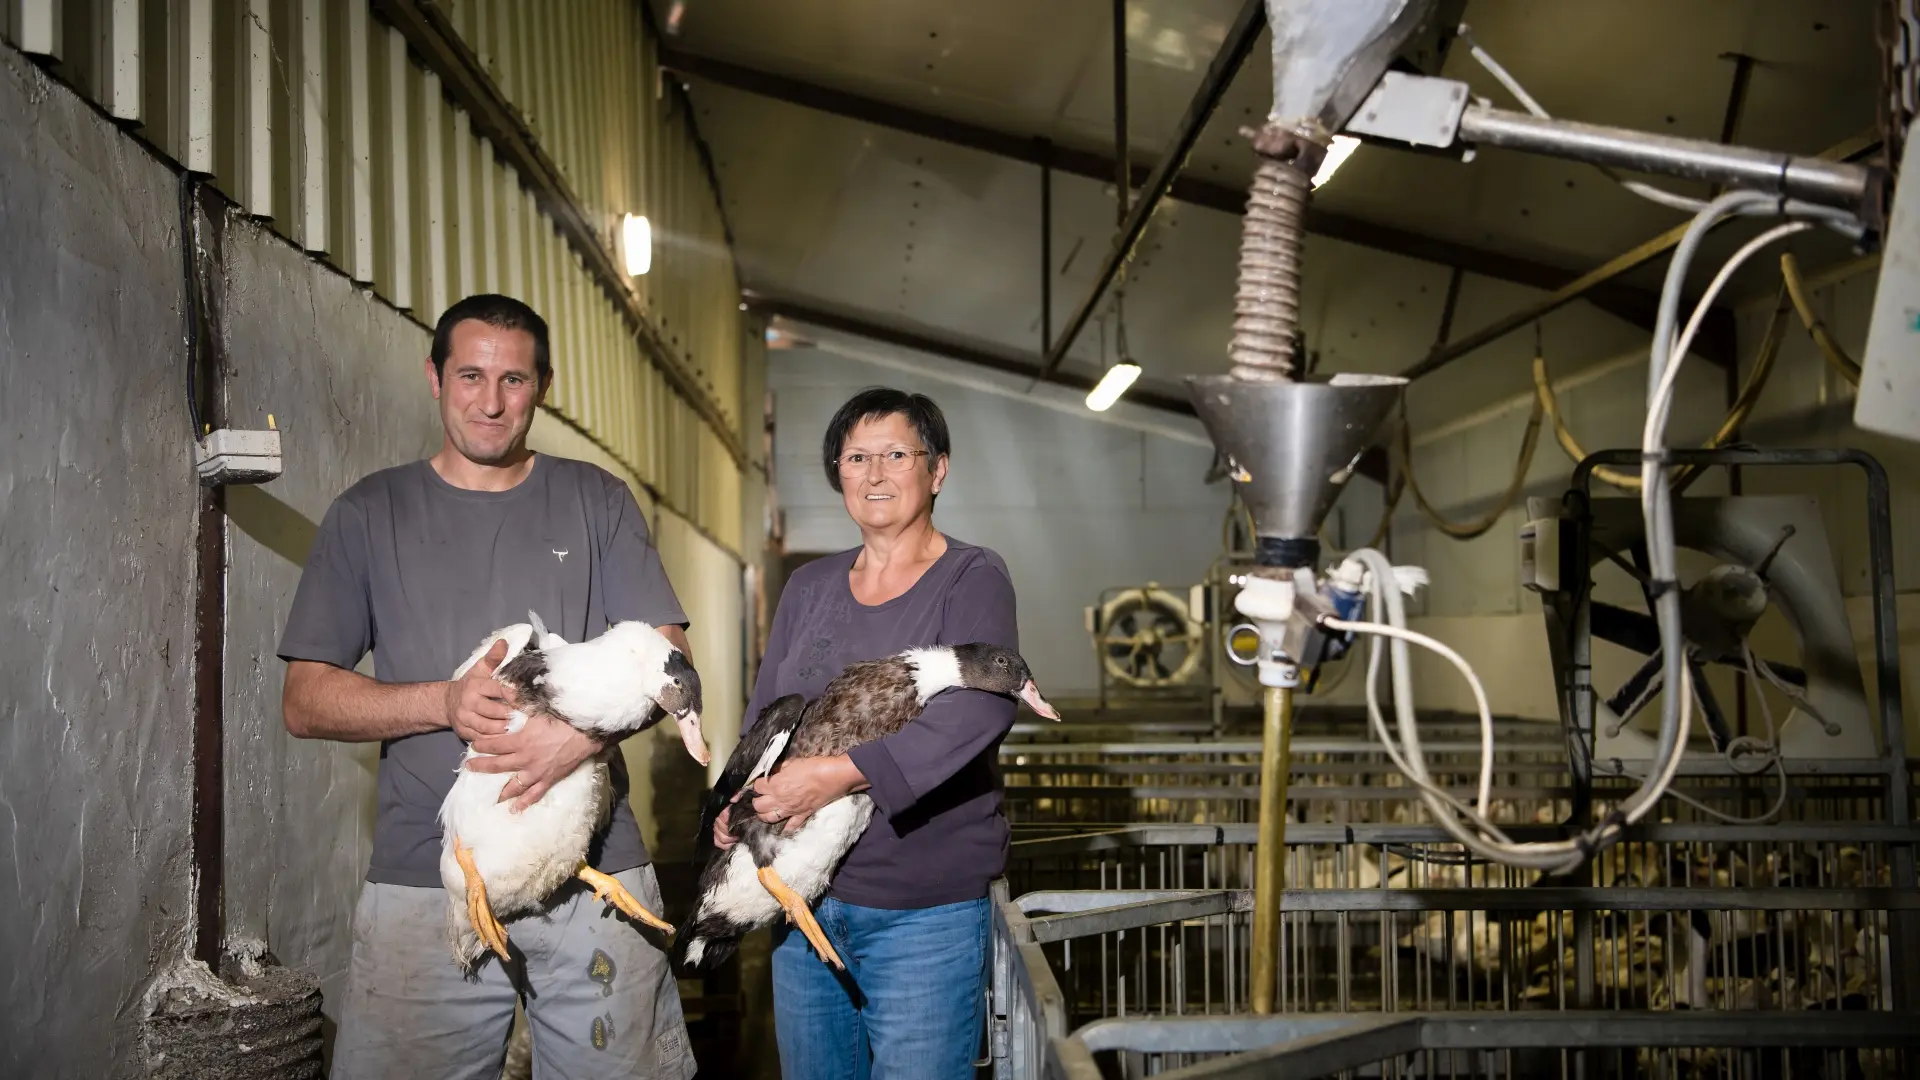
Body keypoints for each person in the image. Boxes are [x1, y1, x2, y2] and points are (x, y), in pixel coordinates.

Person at [278, 293, 698, 1080]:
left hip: (592, 868)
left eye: (514, 379)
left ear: (543, 386)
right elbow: (305, 701)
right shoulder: (370, 513)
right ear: (434, 378)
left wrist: (582, 734)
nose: (492, 400)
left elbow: (665, 654)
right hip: (428, 876)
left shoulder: (596, 501)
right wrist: (439, 702)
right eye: (471, 375)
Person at [712, 387, 1022, 1079]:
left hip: (923, 910)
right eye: (856, 456)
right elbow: (770, 712)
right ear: (838, 473)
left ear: (937, 470)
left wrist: (838, 773)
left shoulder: (971, 577)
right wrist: (738, 801)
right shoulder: (808, 587)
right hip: (804, 899)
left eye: (895, 454)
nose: (875, 473)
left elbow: (981, 710)